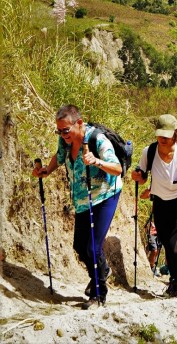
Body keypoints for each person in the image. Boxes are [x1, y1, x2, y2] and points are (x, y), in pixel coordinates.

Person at [31, 104, 123, 308]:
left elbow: (117, 168)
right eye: (59, 130)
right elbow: (60, 156)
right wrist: (48, 170)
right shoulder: (65, 140)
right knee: (79, 246)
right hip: (82, 199)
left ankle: (99, 293)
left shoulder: (97, 139)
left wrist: (97, 161)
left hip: (105, 195)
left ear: (79, 123)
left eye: (66, 130)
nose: (63, 134)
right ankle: (101, 272)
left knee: (92, 246)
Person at [130, 114, 177, 297]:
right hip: (160, 205)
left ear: (175, 134)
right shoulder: (150, 151)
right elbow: (144, 175)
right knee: (169, 248)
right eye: (159, 134)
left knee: (176, 246)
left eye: (166, 135)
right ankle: (176, 280)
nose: (162, 138)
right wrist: (139, 177)